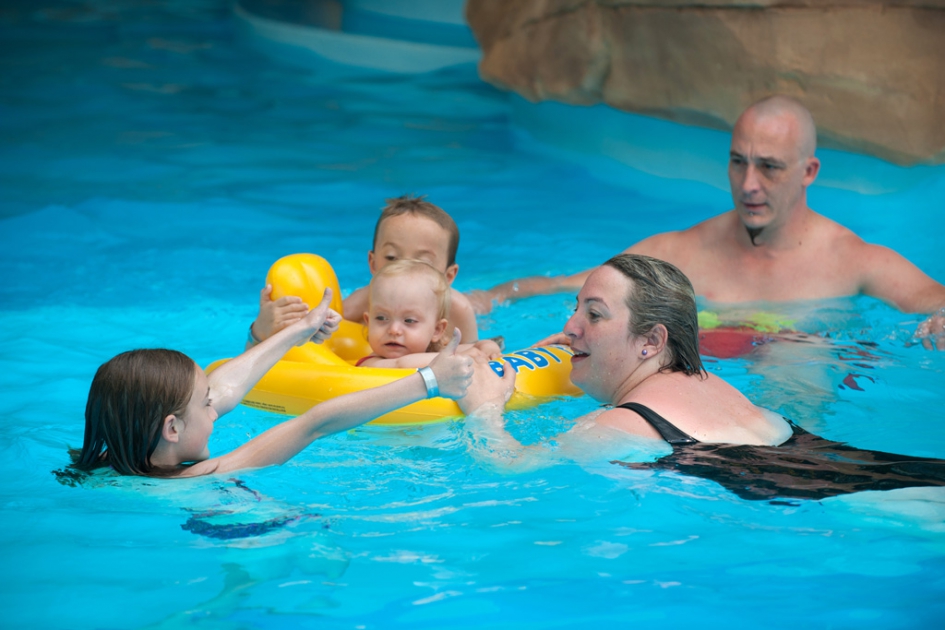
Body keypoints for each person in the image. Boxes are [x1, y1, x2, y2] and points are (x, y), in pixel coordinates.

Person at [469, 96, 945, 350]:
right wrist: (486, 297)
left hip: (801, 382)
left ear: (809, 172)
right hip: (705, 383)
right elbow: (563, 285)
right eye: (738, 162)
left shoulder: (852, 261)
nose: (749, 184)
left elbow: (936, 302)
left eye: (770, 167)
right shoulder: (683, 252)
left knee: (798, 356)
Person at [459, 254, 945, 500]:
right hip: (887, 470)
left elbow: (510, 468)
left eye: (595, 315)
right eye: (574, 311)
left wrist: (484, 408)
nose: (570, 327)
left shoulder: (618, 426)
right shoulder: (710, 383)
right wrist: (581, 351)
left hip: (865, 506)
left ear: (651, 342)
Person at [71, 289, 474, 478]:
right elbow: (314, 422)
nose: (217, 406)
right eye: (205, 404)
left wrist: (301, 329)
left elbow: (222, 387)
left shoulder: (113, 460)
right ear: (172, 428)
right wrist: (430, 380)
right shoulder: (202, 475)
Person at [249, 194, 479, 349]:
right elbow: (319, 335)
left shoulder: (458, 309)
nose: (404, 270)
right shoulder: (364, 300)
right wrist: (267, 325)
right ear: (373, 263)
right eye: (391, 258)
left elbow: (475, 361)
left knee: (485, 301)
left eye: (422, 263)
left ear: (448, 276)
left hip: (475, 308)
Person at [357, 259, 502, 368]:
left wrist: (488, 347)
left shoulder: (437, 350)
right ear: (368, 322)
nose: (394, 330)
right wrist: (460, 356)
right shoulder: (371, 364)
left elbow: (477, 346)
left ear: (436, 330)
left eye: (409, 321)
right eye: (381, 318)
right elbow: (400, 365)